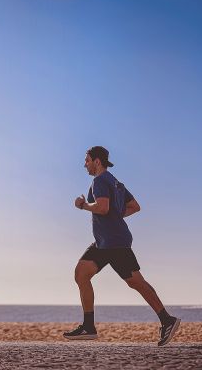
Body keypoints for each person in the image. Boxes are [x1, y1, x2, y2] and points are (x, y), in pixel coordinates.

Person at [63, 146, 180, 346]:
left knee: (136, 282)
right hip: (105, 242)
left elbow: (102, 207)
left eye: (87, 160)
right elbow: (135, 206)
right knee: (82, 273)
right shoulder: (116, 183)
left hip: (114, 242)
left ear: (97, 161)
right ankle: (88, 327)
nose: (85, 164)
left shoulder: (99, 181)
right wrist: (116, 215)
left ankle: (167, 320)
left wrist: (82, 205)